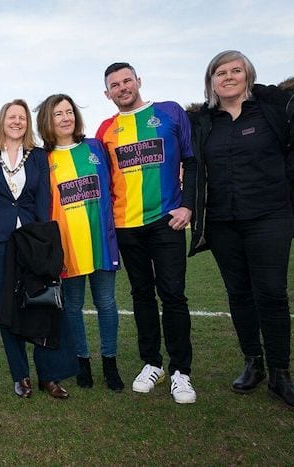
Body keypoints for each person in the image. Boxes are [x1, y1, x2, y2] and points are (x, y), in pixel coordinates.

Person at [188, 50, 294, 411]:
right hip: (223, 222)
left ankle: (280, 376)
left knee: (271, 293)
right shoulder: (205, 121)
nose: (228, 77)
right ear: (211, 82)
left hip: (270, 216)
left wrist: (284, 175)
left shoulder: (271, 109)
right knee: (239, 293)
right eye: (220, 72)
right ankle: (252, 362)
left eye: (236, 70)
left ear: (248, 75)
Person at [96, 62, 197, 404]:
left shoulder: (169, 112)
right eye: (115, 84)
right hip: (126, 225)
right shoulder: (105, 129)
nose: (122, 87)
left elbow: (192, 159)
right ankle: (152, 362)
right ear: (107, 93)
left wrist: (188, 204)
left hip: (166, 221)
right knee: (141, 295)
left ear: (138, 81)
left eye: (127, 80)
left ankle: (181, 370)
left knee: (173, 294)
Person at [0, 99, 76, 399]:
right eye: (12, 117)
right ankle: (20, 375)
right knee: (6, 306)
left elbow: (44, 199)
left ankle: (50, 376)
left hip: (33, 240)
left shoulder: (37, 156)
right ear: (2, 120)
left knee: (44, 303)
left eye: (22, 117)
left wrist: (47, 241)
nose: (17, 121)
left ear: (27, 123)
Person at [37, 94, 123, 392]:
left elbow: (115, 187)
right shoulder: (43, 159)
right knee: (72, 306)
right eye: (57, 114)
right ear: (47, 121)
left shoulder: (96, 148)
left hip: (101, 241)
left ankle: (110, 363)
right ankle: (82, 361)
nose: (65, 118)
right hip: (67, 248)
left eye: (69, 111)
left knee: (107, 304)